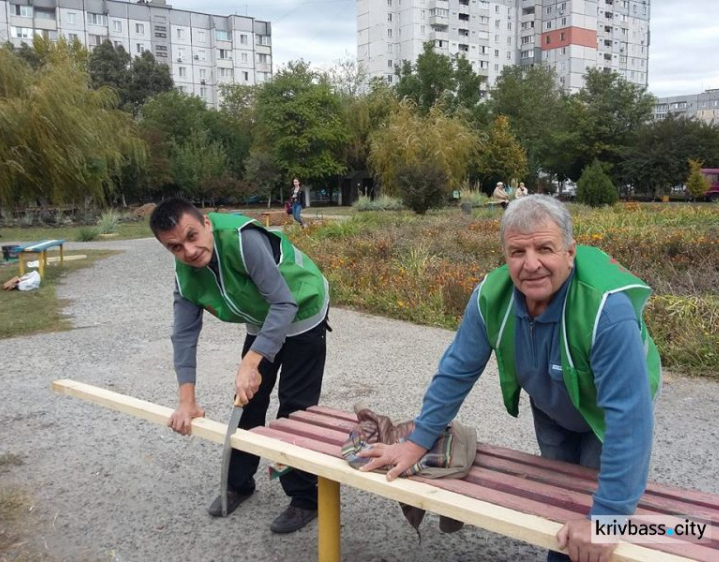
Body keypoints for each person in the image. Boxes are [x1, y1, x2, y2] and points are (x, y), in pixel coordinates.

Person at [359, 195, 661, 562]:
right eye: (517, 252)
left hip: (605, 415)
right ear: (504, 255)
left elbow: (628, 419)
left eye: (545, 248)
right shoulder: (491, 297)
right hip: (551, 402)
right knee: (560, 502)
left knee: (597, 519)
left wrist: (607, 519)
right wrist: (417, 442)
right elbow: (456, 371)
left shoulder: (606, 312)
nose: (531, 264)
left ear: (570, 252)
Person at [149, 197, 330, 534]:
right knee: (247, 402)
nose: (188, 250)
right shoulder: (185, 276)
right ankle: (239, 483)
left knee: (294, 409)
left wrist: (251, 359)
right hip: (263, 319)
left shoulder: (243, 241)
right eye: (175, 247)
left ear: (206, 223)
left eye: (191, 236)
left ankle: (305, 498)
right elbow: (184, 336)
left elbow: (284, 302)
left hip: (303, 310)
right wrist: (187, 400)